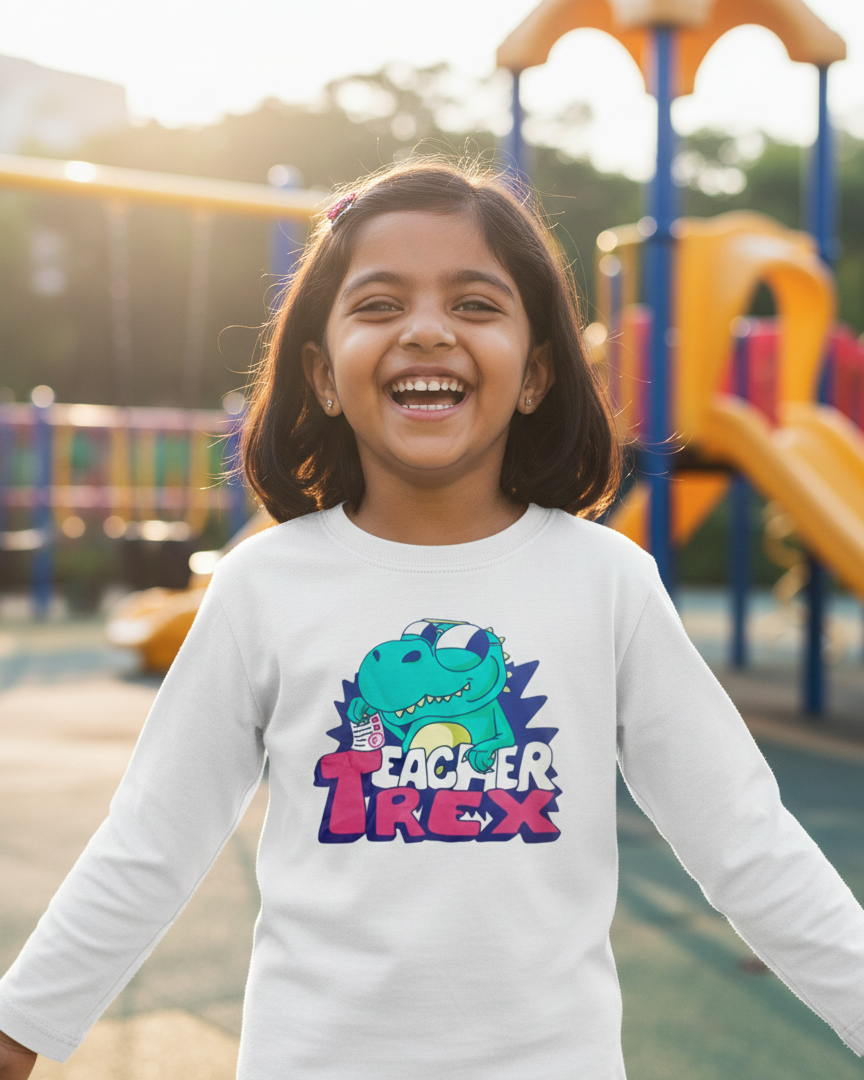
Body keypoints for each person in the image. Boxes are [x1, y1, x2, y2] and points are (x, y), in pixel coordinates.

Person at [0, 158, 863, 1080]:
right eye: (378, 304)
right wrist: (18, 1031)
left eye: (475, 305)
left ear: (535, 375)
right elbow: (151, 839)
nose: (425, 331)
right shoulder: (264, 585)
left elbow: (747, 841)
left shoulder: (606, 580)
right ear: (324, 376)